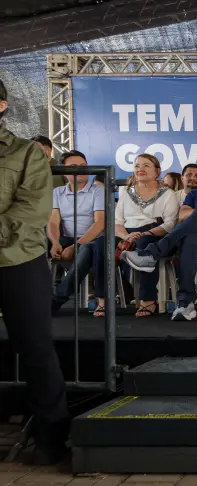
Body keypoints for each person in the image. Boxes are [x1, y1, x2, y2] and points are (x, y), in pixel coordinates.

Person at [0, 79, 70, 464]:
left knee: (36, 349)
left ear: (2, 106)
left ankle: (52, 440)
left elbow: (31, 211)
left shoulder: (26, 153)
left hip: (19, 262)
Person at [121, 151, 197, 321]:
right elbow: (183, 215)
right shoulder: (195, 194)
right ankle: (186, 304)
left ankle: (151, 253)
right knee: (189, 240)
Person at [94, 153, 180, 318]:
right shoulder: (125, 191)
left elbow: (170, 224)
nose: (140, 169)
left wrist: (146, 233)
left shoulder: (167, 194)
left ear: (157, 171)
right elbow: (117, 221)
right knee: (101, 244)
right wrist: (126, 236)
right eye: (137, 165)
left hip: (153, 231)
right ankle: (103, 301)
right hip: (126, 231)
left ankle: (148, 300)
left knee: (145, 244)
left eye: (146, 165)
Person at [47, 150, 105, 314]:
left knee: (86, 249)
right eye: (73, 166)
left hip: (92, 239)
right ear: (64, 172)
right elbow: (53, 221)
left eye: (83, 166)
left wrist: (75, 245)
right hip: (65, 237)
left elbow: (100, 223)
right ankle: (27, 298)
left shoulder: (98, 191)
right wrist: (55, 242)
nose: (80, 169)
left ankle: (56, 299)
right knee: (34, 244)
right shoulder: (57, 192)